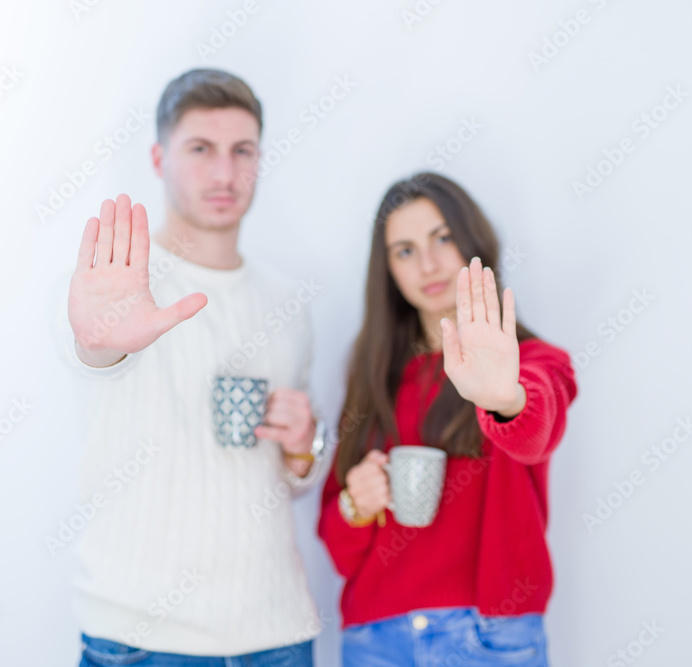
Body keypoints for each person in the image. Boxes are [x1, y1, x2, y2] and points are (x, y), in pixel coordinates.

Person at [55, 68, 330, 666]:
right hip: (140, 642)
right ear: (158, 157)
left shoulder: (288, 301)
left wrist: (306, 446)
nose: (225, 174)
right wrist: (100, 341)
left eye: (243, 151)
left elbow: (294, 475)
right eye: (201, 150)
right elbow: (90, 354)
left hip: (277, 635)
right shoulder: (116, 282)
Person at [317, 172, 578, 666]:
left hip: (490, 636)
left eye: (442, 237)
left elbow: (536, 431)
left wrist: (503, 396)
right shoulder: (373, 374)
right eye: (405, 250)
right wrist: (357, 503)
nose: (429, 263)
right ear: (387, 270)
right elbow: (337, 548)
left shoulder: (533, 362)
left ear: (473, 239)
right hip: (376, 638)